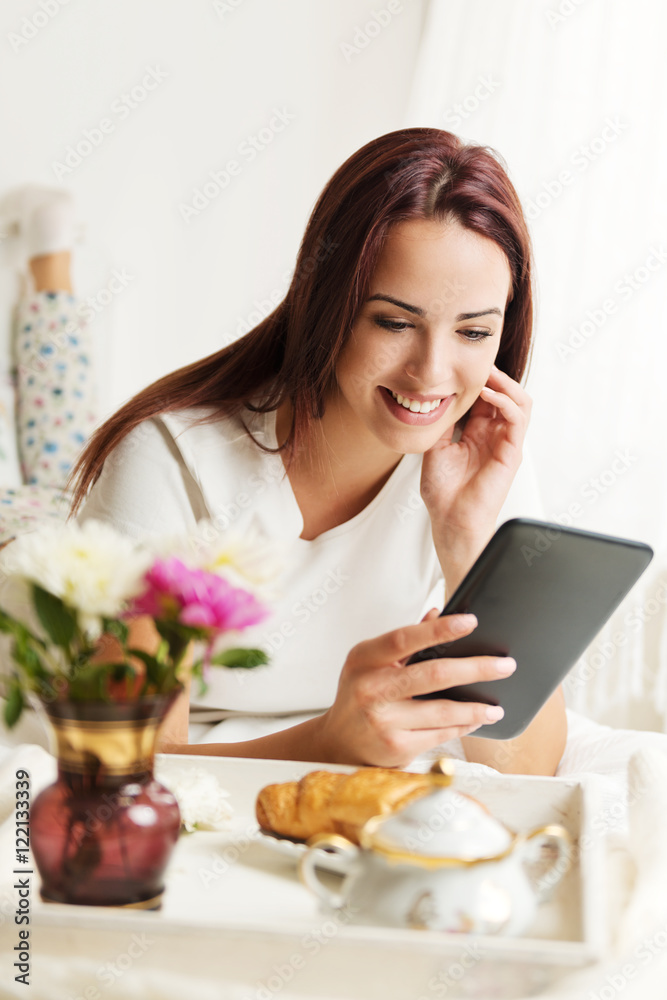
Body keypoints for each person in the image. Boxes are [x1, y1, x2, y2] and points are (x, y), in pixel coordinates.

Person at [67, 127, 567, 775]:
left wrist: (468, 547)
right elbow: (116, 763)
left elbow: (528, 767)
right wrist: (325, 747)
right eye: (393, 322)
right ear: (325, 304)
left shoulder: (482, 461)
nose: (432, 373)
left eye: (473, 332)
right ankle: (51, 265)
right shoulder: (170, 462)